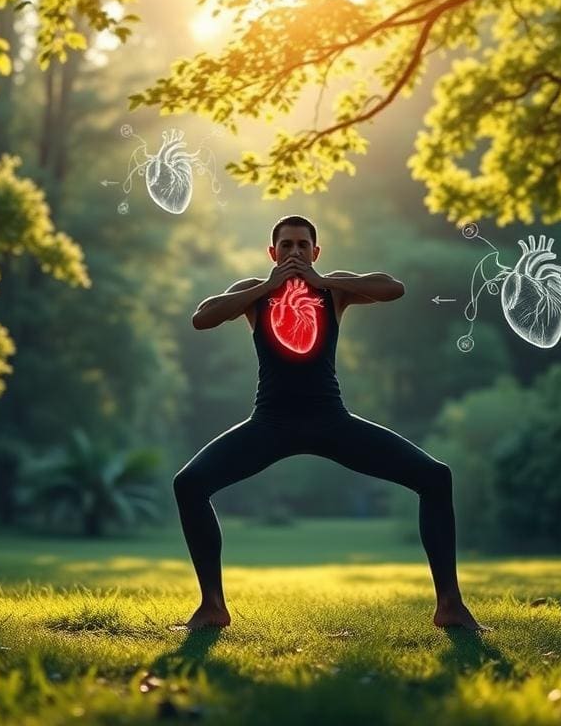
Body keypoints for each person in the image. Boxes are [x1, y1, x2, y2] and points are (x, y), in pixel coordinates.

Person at [174, 214, 489, 632]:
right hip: (271, 423)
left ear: (315, 252)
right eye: (285, 246)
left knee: (435, 477)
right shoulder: (253, 295)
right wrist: (267, 287)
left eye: (303, 245)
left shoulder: (333, 289)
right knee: (189, 484)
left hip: (330, 421)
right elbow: (202, 317)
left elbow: (393, 288)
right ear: (272, 252)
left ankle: (450, 606)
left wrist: (326, 283)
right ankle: (212, 607)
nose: (294, 253)